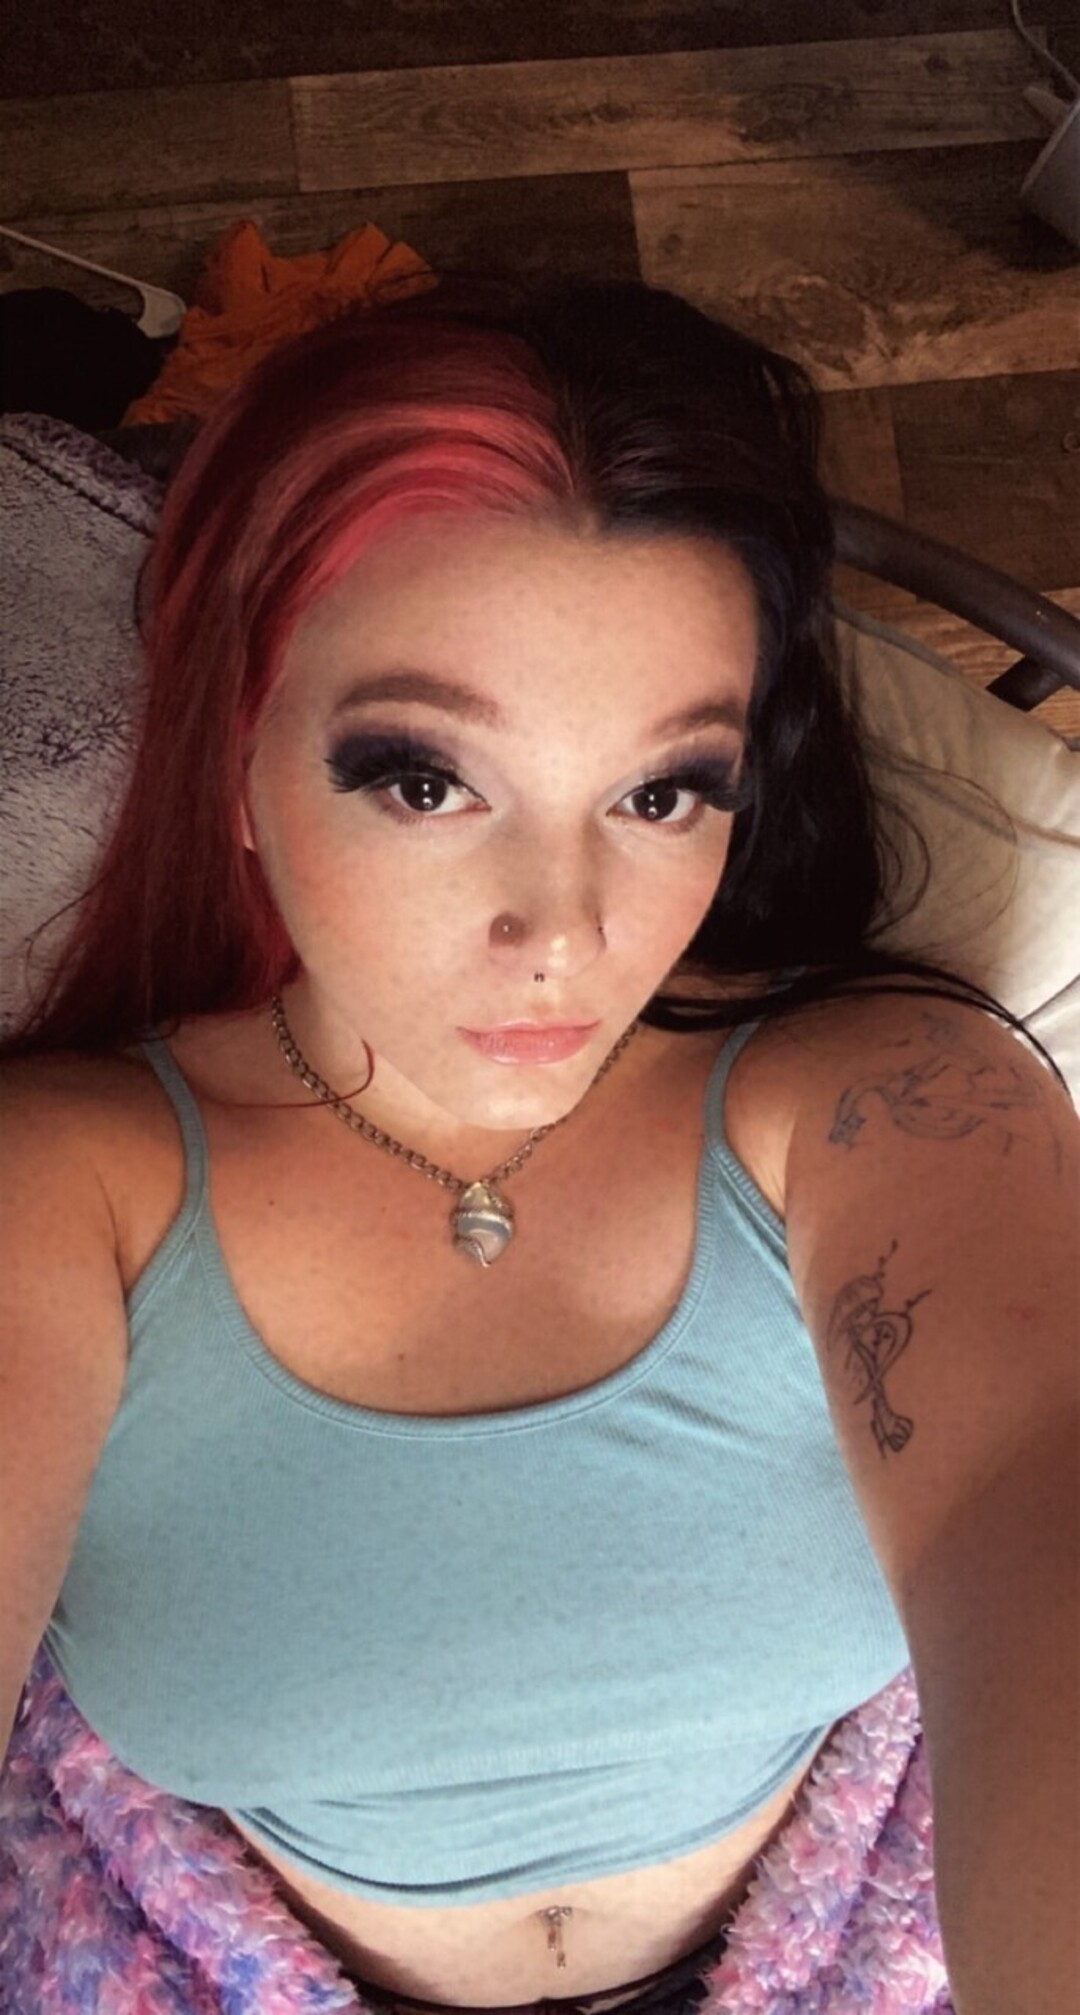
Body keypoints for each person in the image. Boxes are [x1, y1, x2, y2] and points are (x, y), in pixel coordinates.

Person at [1, 273, 1075, 2015]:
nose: (564, 931)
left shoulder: (882, 1109)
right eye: (426, 781)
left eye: (663, 792)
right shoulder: (62, 1186)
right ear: (234, 756)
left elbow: (1035, 1518)